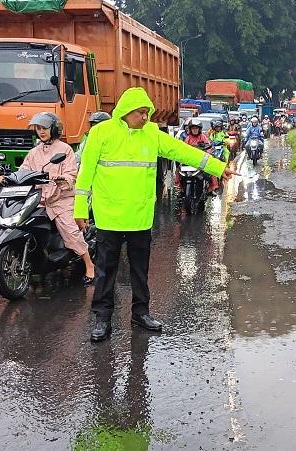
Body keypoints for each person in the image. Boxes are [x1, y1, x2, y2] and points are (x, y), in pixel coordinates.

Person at [74, 87, 237, 342]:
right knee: (106, 271)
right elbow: (84, 174)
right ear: (127, 111)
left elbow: (183, 151)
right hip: (109, 216)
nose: (146, 117)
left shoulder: (152, 134)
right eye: (141, 112)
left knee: (140, 270)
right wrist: (80, 208)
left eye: (147, 112)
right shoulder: (101, 134)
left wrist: (218, 167)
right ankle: (102, 319)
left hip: (139, 216)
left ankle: (141, 313)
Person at [20, 112, 95, 285]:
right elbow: (24, 170)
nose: (41, 132)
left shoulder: (65, 149)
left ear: (53, 128)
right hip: (40, 199)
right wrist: (9, 177)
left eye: (44, 128)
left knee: (70, 231)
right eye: (38, 129)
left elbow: (71, 173)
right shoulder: (34, 152)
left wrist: (62, 179)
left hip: (61, 199)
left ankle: (89, 264)